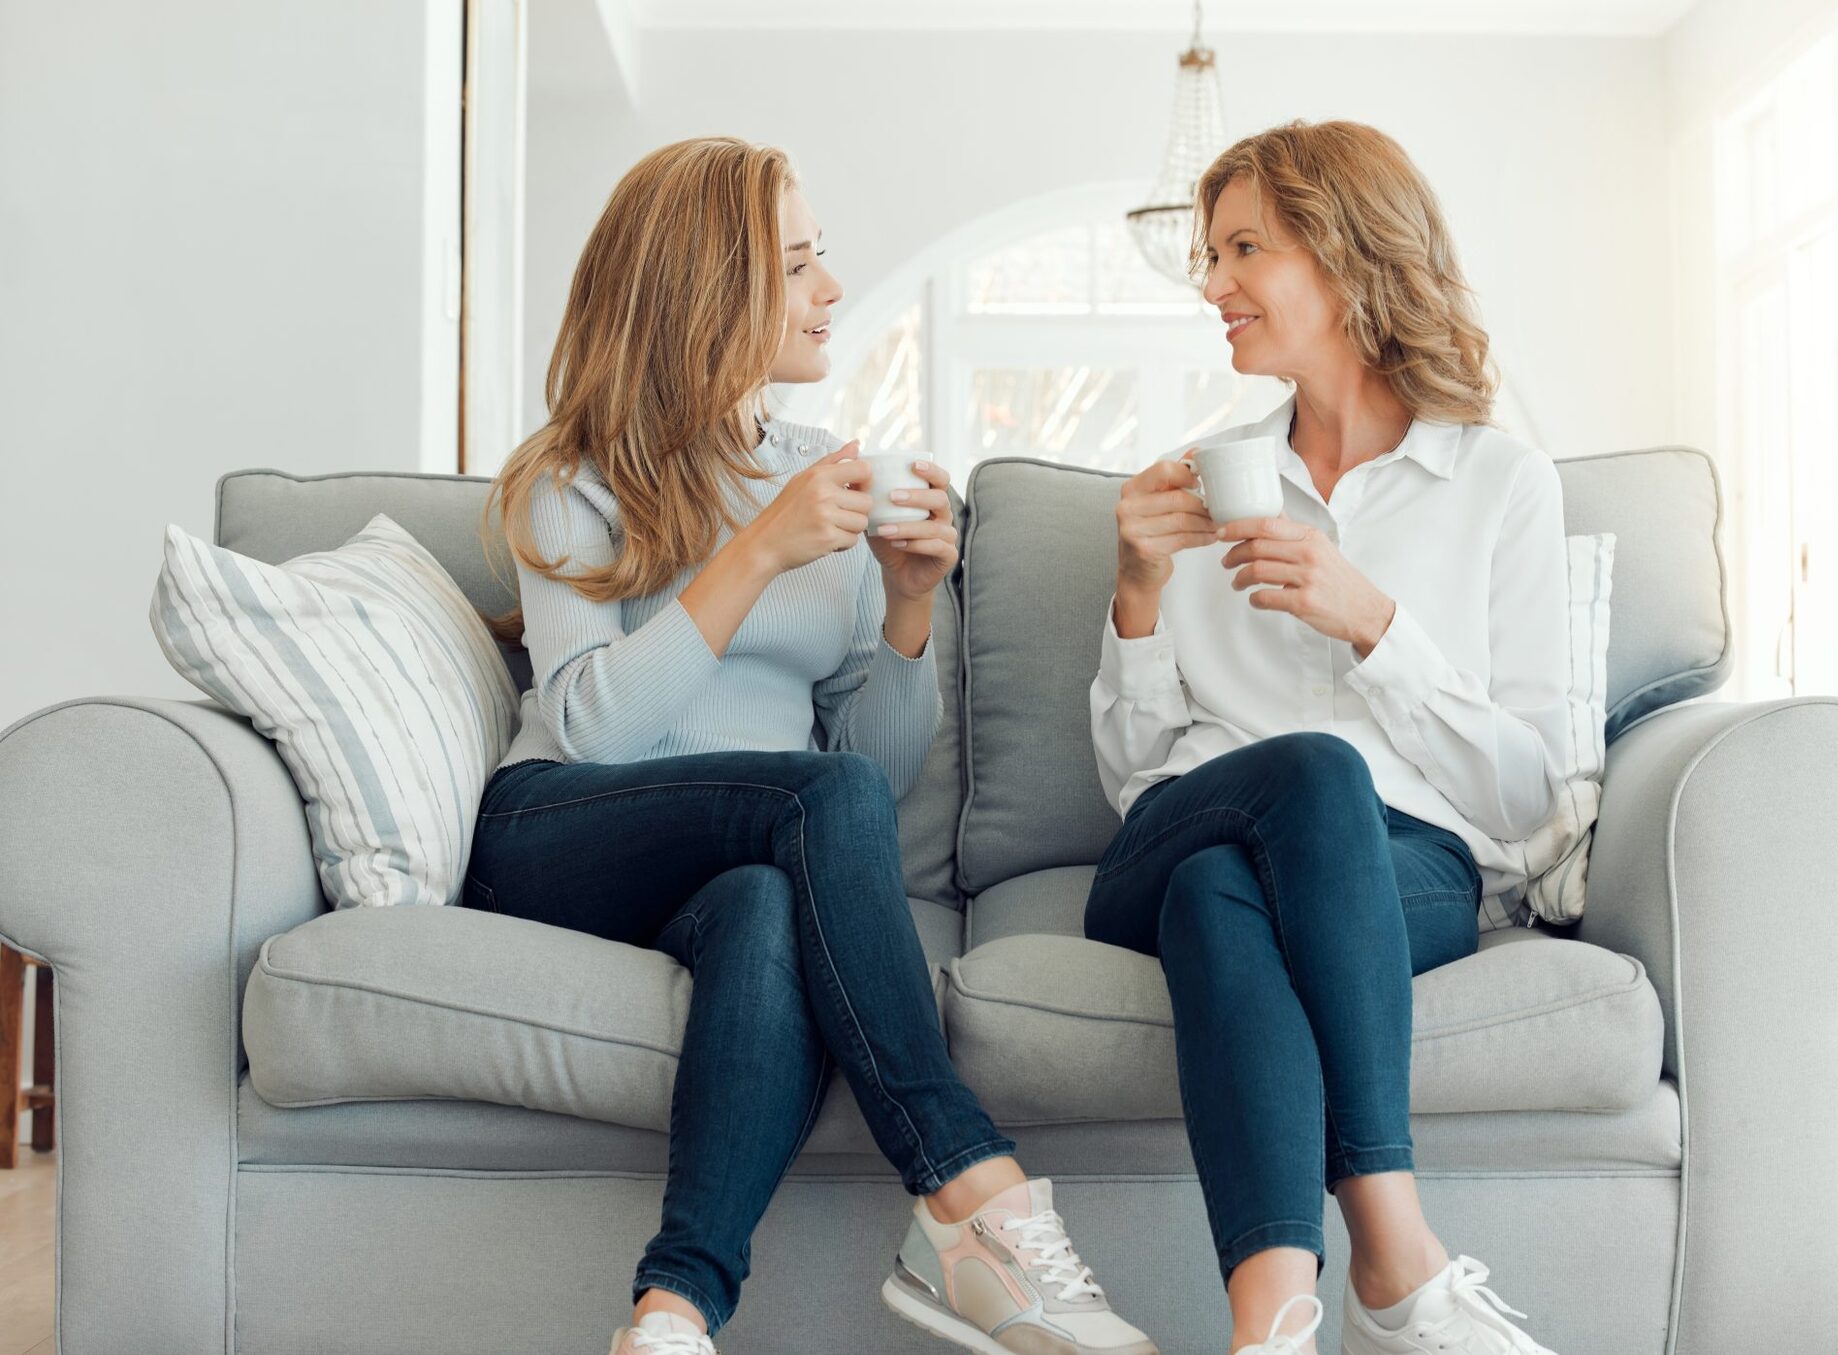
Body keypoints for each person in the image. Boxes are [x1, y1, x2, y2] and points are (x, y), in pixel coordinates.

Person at [473, 136, 1158, 1355]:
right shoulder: (572, 476)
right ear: (710, 288)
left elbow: (869, 784)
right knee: (805, 805)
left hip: (735, 856)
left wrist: (907, 606)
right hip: (561, 829)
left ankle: (672, 1313)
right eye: (797, 265)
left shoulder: (822, 478)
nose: (830, 289)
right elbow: (587, 728)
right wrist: (755, 551)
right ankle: (968, 1191)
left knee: (762, 908)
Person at [1086, 119, 1571, 1355]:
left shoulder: (1501, 484)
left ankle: (1271, 1326)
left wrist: (1376, 624)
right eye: (1210, 254)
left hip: (1404, 870)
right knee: (1296, 780)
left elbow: (1529, 795)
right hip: (1176, 831)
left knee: (1219, 894)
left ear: (1350, 254)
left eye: (1244, 248)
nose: (1213, 284)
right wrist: (1136, 586)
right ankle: (1397, 1261)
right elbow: (1136, 780)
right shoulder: (1201, 482)